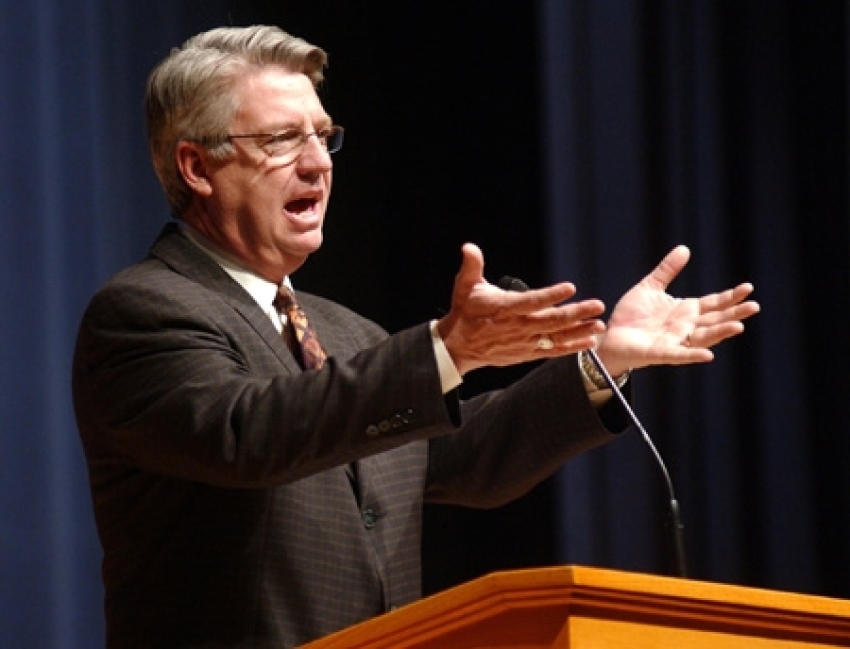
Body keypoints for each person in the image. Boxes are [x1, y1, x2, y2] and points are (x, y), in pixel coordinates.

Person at [72, 25, 760, 648]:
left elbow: (469, 457)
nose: (318, 163)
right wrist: (447, 351)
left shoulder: (345, 331)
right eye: (282, 139)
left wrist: (600, 361)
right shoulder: (144, 311)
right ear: (196, 166)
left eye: (324, 134)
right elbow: (252, 433)